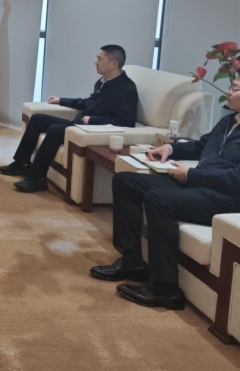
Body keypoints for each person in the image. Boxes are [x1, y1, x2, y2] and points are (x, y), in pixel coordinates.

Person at [90, 76, 240, 310]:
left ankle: (165, 288)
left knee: (159, 200)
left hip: (227, 199)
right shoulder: (229, 120)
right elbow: (201, 146)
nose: (228, 92)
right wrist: (170, 148)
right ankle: (132, 261)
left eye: (235, 88)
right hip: (201, 184)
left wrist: (191, 175)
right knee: (125, 181)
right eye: (231, 86)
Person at [0, 45, 138, 193]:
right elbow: (89, 102)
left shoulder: (127, 89)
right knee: (37, 119)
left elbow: (126, 120)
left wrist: (92, 120)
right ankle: (22, 163)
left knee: (55, 130)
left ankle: (37, 178)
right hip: (78, 125)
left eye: (99, 59)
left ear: (113, 64)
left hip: (88, 129)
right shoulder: (103, 81)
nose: (95, 62)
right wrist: (61, 100)